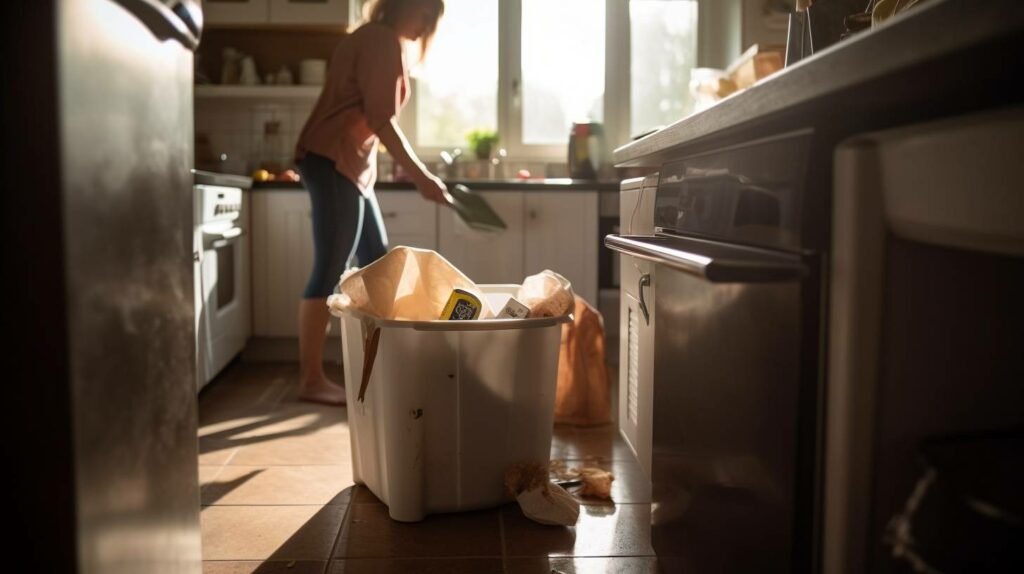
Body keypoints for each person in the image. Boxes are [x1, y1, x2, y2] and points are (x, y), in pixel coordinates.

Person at [294, 0, 447, 405]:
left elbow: (371, 119)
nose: (427, 24)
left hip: (347, 166)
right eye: (425, 13)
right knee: (330, 267)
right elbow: (381, 119)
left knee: (377, 263)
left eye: (433, 18)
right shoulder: (380, 40)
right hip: (332, 160)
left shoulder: (372, 39)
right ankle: (311, 380)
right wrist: (421, 177)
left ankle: (380, 365)